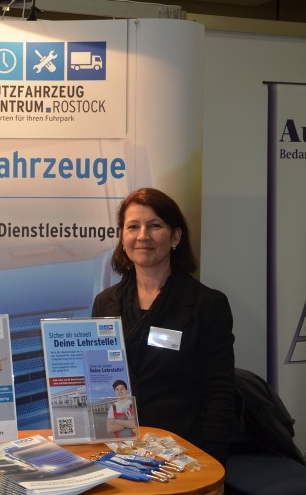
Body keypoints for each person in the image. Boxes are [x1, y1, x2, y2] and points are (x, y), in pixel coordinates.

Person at [92, 188, 236, 467]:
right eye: (133, 226)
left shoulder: (207, 304)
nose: (142, 235)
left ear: (175, 237)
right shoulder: (105, 303)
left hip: (182, 454)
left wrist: (214, 466)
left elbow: (220, 393)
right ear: (122, 237)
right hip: (118, 450)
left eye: (155, 225)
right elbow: (98, 382)